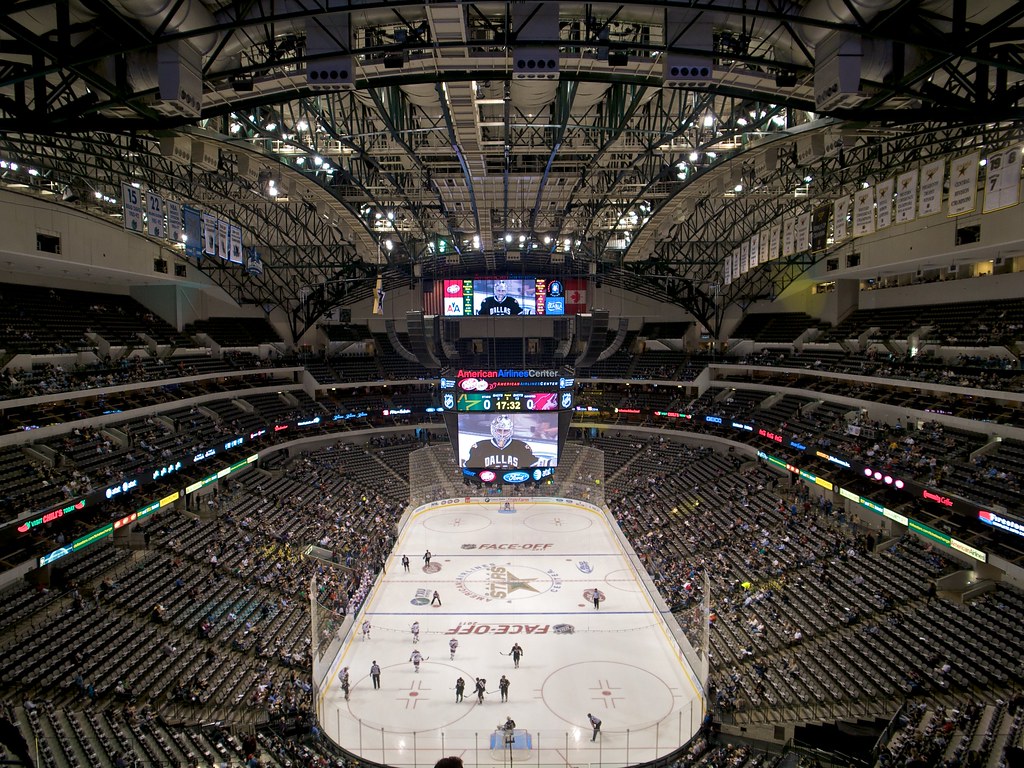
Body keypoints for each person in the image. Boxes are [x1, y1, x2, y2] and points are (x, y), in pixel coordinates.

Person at [465, 415, 540, 469]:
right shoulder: (480, 447)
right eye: (499, 430)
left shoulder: (521, 447)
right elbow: (471, 468)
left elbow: (532, 466)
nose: (502, 434)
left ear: (510, 430)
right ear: (494, 430)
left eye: (505, 431)